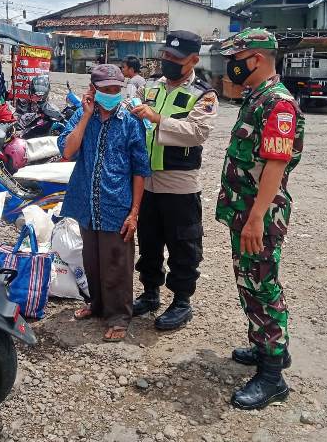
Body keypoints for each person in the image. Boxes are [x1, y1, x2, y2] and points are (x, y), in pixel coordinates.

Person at [216, 28, 305, 410]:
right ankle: (264, 347)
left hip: (259, 217)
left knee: (262, 288)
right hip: (246, 211)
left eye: (235, 59)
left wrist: (255, 219)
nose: (231, 66)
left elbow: (275, 164)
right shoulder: (258, 98)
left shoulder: (278, 104)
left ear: (255, 59)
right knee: (249, 283)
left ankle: (273, 377)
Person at [130, 31, 217, 331]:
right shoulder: (152, 87)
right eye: (166, 56)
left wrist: (157, 120)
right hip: (147, 180)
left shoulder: (204, 94)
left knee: (183, 244)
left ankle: (182, 301)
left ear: (194, 60)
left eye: (176, 59)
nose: (168, 62)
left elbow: (197, 132)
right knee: (149, 241)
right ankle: (150, 293)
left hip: (179, 183)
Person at [58, 65, 151, 342]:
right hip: (87, 203)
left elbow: (140, 170)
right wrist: (86, 115)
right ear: (93, 90)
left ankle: (120, 316)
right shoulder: (81, 116)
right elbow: (67, 150)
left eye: (116, 90)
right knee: (92, 259)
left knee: (117, 262)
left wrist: (134, 212)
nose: (112, 94)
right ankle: (98, 305)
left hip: (116, 203)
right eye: (105, 90)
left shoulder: (130, 122)